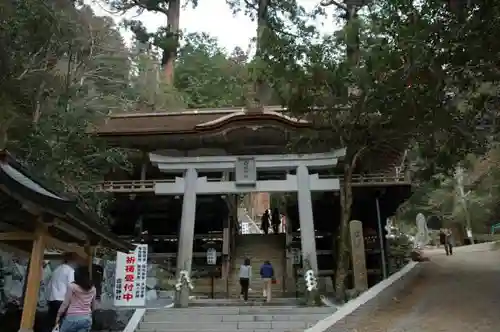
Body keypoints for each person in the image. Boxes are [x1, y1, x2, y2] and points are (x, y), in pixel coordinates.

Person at [56, 265, 97, 332]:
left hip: (72, 318)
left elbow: (65, 303)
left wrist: (58, 315)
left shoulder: (72, 287)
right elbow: (93, 306)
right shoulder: (93, 288)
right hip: (86, 319)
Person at [47, 253, 76, 332]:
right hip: (62, 300)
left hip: (52, 299)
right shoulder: (70, 271)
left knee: (53, 324)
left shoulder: (56, 270)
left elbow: (49, 285)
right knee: (63, 324)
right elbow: (71, 287)